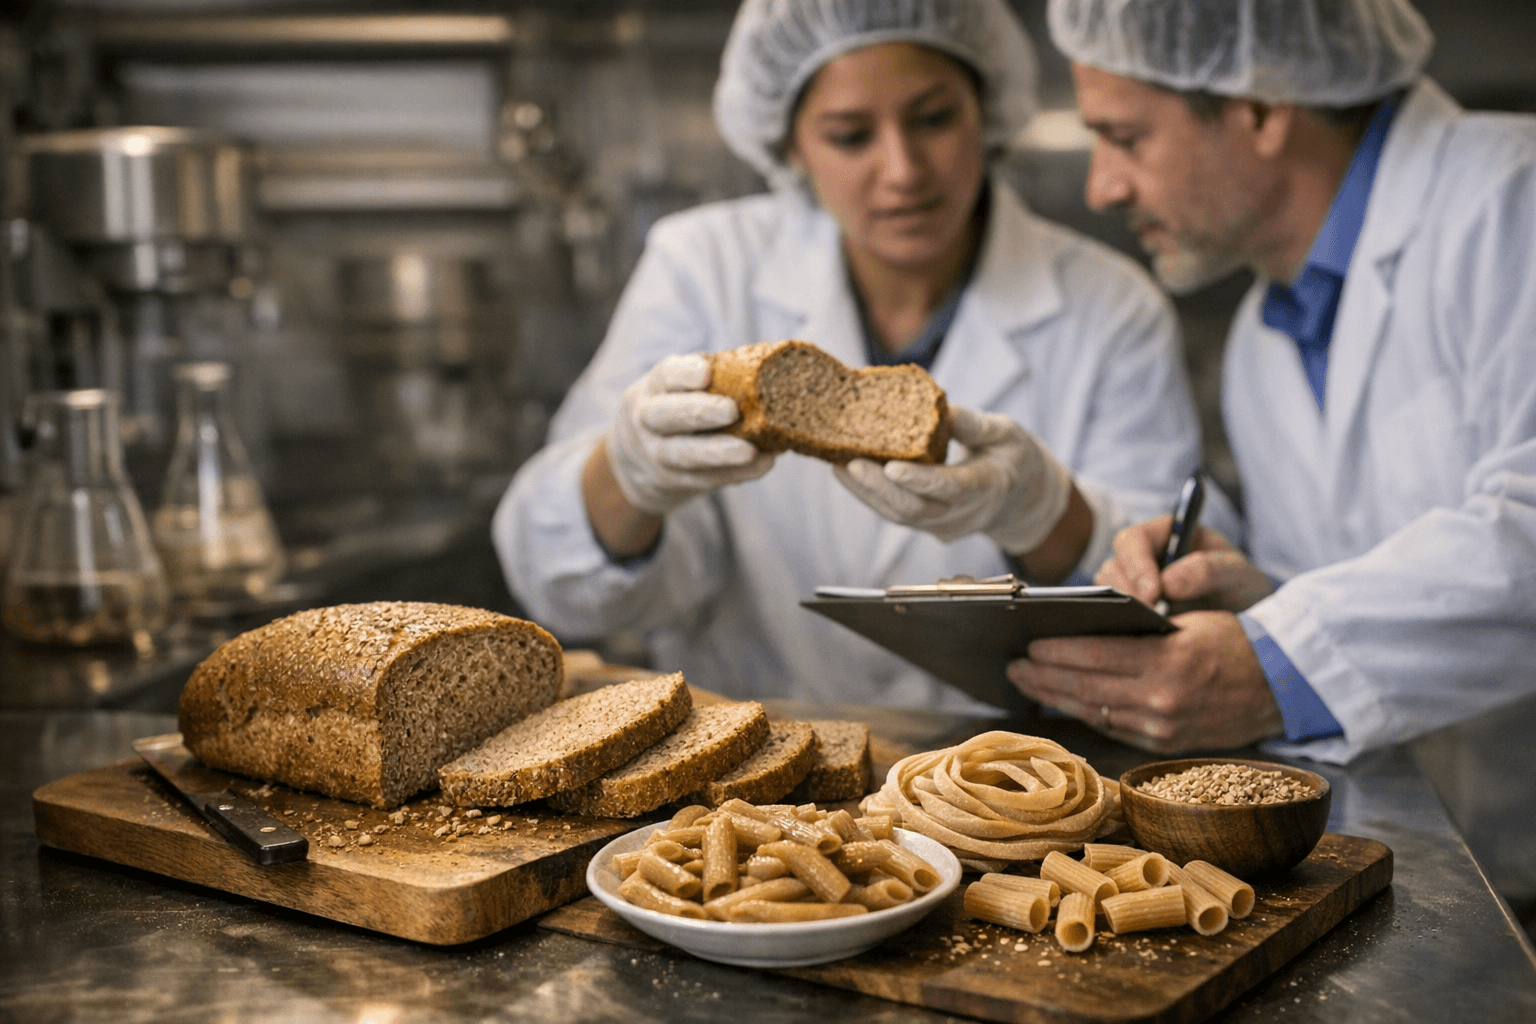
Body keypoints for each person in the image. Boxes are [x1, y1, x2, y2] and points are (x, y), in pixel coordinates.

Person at [493, 0, 1222, 713]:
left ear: (987, 108)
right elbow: (556, 581)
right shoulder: (703, 267)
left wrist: (1040, 510)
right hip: (749, 777)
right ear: (790, 146)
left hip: (1010, 780)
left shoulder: (1111, 304)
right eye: (849, 135)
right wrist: (630, 476)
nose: (903, 170)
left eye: (934, 119)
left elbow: (1171, 601)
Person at [1009, 0, 1536, 913]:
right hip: (1433, 875)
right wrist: (1254, 597)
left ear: (1256, 106)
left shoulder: (1512, 200)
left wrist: (1274, 661)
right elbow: (1367, 585)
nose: (1103, 186)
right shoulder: (1263, 331)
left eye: (1124, 137)